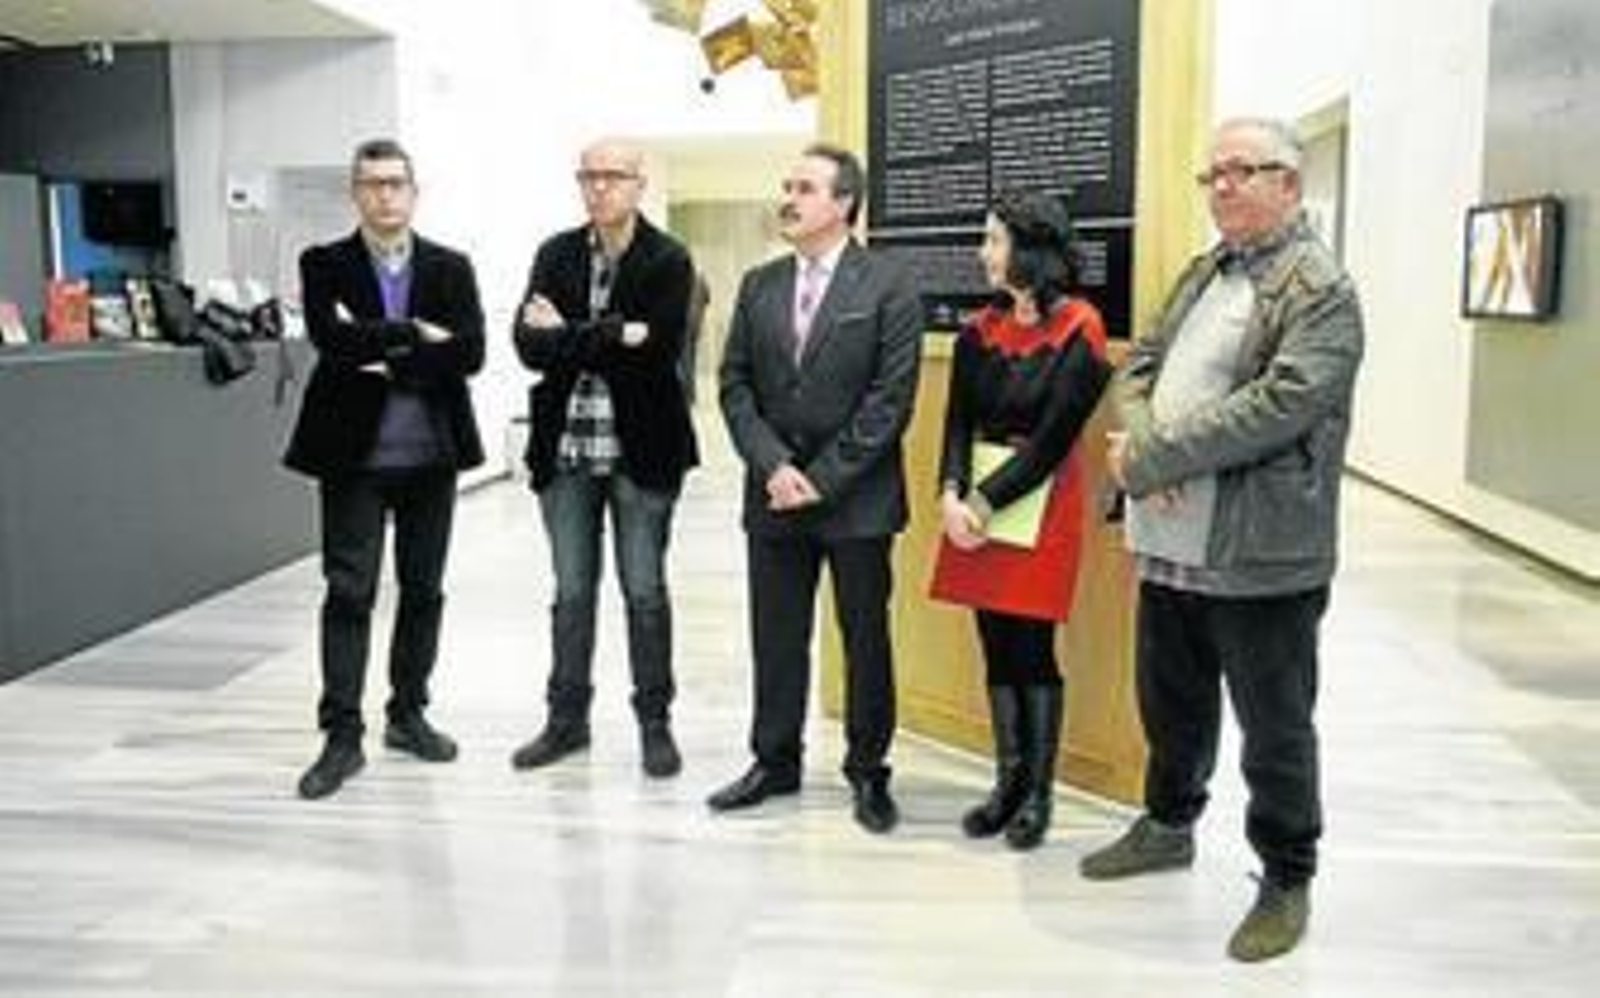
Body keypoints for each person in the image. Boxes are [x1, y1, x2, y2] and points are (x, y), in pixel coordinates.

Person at [1078, 117, 1365, 963]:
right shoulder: (1205, 270)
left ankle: (1286, 875)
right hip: (1170, 538)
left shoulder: (1322, 289)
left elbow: (1283, 404)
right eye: (1213, 175)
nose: (1223, 186)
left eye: (1243, 170)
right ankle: (1169, 824)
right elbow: (1141, 364)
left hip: (1260, 553)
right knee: (1171, 701)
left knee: (1274, 727)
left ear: (1290, 183)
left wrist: (1157, 455)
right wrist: (1142, 446)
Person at [708, 143, 922, 834]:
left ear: (844, 203)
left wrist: (821, 480)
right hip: (773, 497)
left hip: (857, 502)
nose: (789, 199)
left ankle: (868, 770)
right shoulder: (760, 284)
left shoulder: (888, 285)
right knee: (776, 638)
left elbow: (890, 401)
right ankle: (774, 761)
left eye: (804, 188)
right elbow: (734, 384)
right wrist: (773, 466)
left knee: (865, 640)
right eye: (787, 186)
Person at [284, 138, 486, 800]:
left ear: (414, 192)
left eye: (396, 183)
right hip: (354, 459)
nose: (385, 194)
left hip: (432, 457)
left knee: (423, 591)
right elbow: (330, 339)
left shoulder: (450, 267)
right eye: (372, 184)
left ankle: (407, 714)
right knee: (349, 593)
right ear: (355, 194)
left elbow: (472, 353)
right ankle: (342, 736)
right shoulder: (324, 263)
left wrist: (377, 346)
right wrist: (417, 336)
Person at [509, 137, 698, 778]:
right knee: (571, 594)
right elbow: (527, 347)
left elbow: (658, 350)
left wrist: (566, 333)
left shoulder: (668, 259)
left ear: (639, 184)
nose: (598, 187)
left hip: (641, 452)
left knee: (644, 593)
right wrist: (614, 333)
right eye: (587, 176)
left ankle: (655, 723)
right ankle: (567, 722)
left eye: (612, 176)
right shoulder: (555, 254)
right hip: (566, 451)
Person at [928, 191, 1111, 851]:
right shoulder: (979, 329)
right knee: (995, 644)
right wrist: (950, 493)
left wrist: (980, 503)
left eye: (994, 240)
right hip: (976, 509)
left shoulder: (1081, 327)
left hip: (1038, 506)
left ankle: (1037, 794)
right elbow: (957, 422)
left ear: (1030, 250)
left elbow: (1052, 441)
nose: (983, 253)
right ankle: (1006, 785)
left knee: (1032, 650)